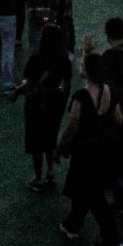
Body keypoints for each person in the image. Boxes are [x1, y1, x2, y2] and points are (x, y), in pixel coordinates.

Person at [57, 38, 123, 246]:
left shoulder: (81, 97)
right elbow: (119, 118)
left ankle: (112, 238)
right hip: (105, 150)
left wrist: (61, 146)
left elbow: (72, 125)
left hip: (85, 151)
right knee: (85, 187)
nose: (79, 65)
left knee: (93, 194)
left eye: (82, 64)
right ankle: (72, 223)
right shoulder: (110, 90)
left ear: (87, 71)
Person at [14, 22, 72, 190]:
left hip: (36, 105)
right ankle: (51, 172)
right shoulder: (64, 59)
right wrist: (57, 92)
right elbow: (64, 84)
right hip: (55, 106)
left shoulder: (36, 57)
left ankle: (38, 177)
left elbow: (28, 82)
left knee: (36, 142)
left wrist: (18, 91)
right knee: (50, 138)